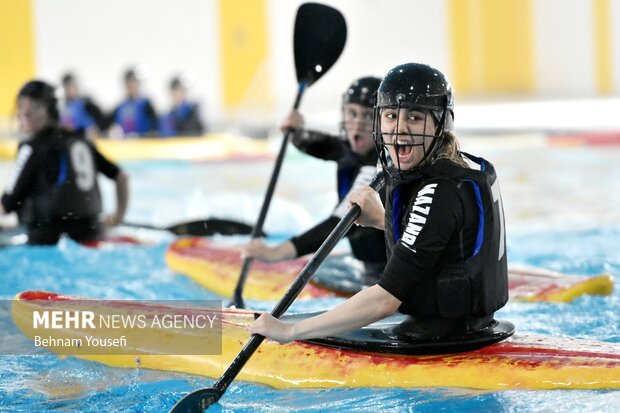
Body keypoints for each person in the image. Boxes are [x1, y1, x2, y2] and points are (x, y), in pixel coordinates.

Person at [251, 63, 509, 343]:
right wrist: (379, 219)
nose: (399, 129)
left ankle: (204, 337)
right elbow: (442, 241)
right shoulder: (463, 167)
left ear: (439, 124)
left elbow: (385, 299)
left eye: (414, 117)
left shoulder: (438, 191)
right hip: (476, 325)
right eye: (390, 116)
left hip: (441, 337)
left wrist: (290, 331)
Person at [243, 77, 387, 284]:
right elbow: (324, 144)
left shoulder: (380, 165)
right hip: (367, 268)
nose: (357, 123)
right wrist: (296, 132)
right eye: (352, 113)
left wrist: (279, 252)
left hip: (386, 274)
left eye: (368, 116)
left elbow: (341, 223)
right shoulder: (350, 149)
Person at [0, 80, 129, 245]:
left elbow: (6, 204)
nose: (24, 113)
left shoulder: (31, 148)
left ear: (48, 110)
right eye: (22, 106)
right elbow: (122, 177)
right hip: (92, 232)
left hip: (47, 239)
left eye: (30, 107)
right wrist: (117, 218)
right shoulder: (81, 140)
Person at [108, 68, 158, 138]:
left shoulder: (145, 104)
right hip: (124, 143)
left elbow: (154, 125)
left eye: (133, 83)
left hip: (143, 142)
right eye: (129, 84)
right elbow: (113, 124)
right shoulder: (120, 106)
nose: (131, 86)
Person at [59, 72, 107, 141]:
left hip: (85, 139)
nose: (70, 90)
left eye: (72, 86)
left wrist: (96, 131)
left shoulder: (86, 103)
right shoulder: (61, 105)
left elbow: (101, 120)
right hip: (69, 140)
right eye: (67, 87)